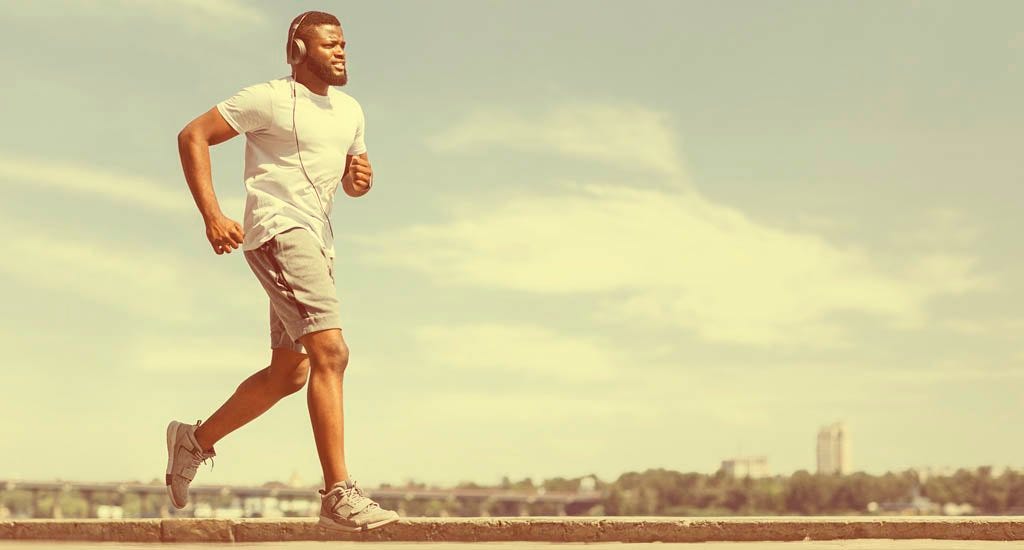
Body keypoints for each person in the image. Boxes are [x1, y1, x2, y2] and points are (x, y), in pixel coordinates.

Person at [169, 10, 399, 532]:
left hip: (318, 242)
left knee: (290, 373)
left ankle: (194, 441)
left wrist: (358, 179)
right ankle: (338, 493)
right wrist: (213, 215)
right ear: (298, 49)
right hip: (278, 231)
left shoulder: (350, 111)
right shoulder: (269, 98)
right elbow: (193, 136)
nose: (341, 53)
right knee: (331, 352)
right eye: (329, 45)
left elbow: (351, 181)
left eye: (344, 44)